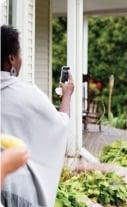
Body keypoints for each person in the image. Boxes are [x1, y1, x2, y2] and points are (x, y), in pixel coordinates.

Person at [1, 25, 74, 207]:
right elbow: (60, 126)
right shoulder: (28, 95)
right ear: (11, 59)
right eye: (19, 55)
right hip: (18, 194)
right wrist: (67, 94)